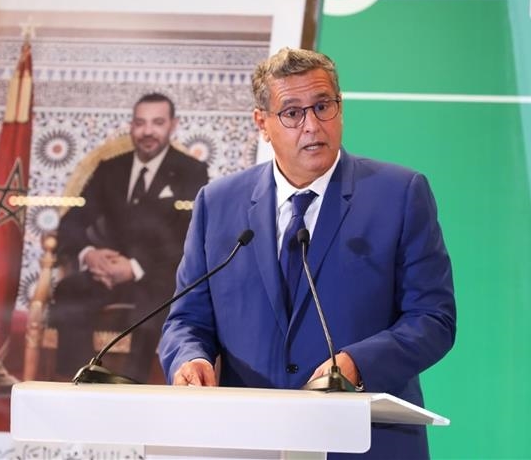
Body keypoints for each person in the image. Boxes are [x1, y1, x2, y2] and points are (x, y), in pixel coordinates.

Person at [158, 48, 456, 459]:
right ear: (261, 123)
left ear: (340, 107)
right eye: (292, 113)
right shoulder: (218, 204)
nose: (312, 125)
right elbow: (187, 320)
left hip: (366, 441)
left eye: (322, 106)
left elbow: (433, 318)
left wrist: (358, 364)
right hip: (249, 441)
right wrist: (189, 359)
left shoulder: (399, 194)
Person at [50, 92, 209, 381]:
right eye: (140, 123)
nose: (148, 131)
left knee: (152, 309)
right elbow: (72, 222)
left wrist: (134, 267)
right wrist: (90, 254)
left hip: (156, 278)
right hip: (105, 275)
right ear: (132, 126)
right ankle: (79, 383)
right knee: (69, 291)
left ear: (172, 125)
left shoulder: (192, 171)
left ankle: (132, 389)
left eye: (157, 122)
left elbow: (188, 237)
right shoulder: (110, 169)